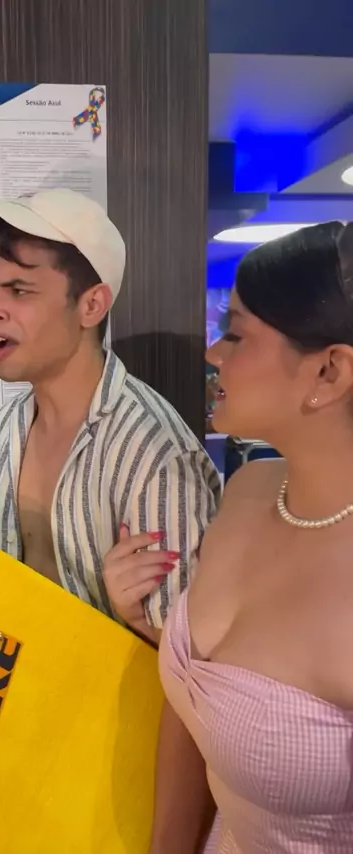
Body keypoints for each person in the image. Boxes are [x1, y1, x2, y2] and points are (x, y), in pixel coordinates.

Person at [151, 221, 353, 853]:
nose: (214, 353)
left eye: (235, 333)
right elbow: (196, 709)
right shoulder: (248, 490)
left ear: (329, 372)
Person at [0, 188, 220, 645]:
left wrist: (133, 619)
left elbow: (189, 658)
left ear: (91, 305)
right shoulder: (0, 432)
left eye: (18, 290)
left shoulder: (154, 457)